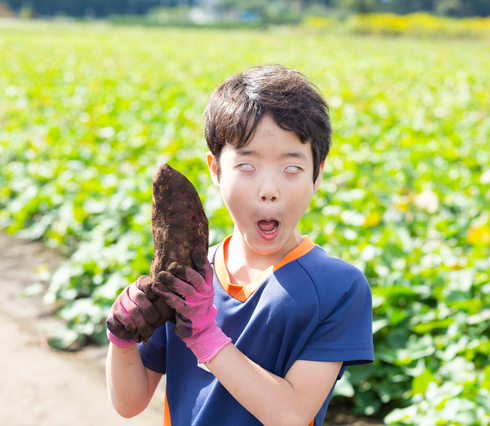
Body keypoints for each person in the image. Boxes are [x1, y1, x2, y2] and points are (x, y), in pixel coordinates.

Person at [105, 64, 374, 426]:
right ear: (215, 170)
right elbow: (129, 403)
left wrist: (204, 335)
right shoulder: (186, 279)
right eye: (246, 165)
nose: (269, 189)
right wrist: (121, 337)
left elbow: (291, 415)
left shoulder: (338, 287)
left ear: (318, 173)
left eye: (291, 168)